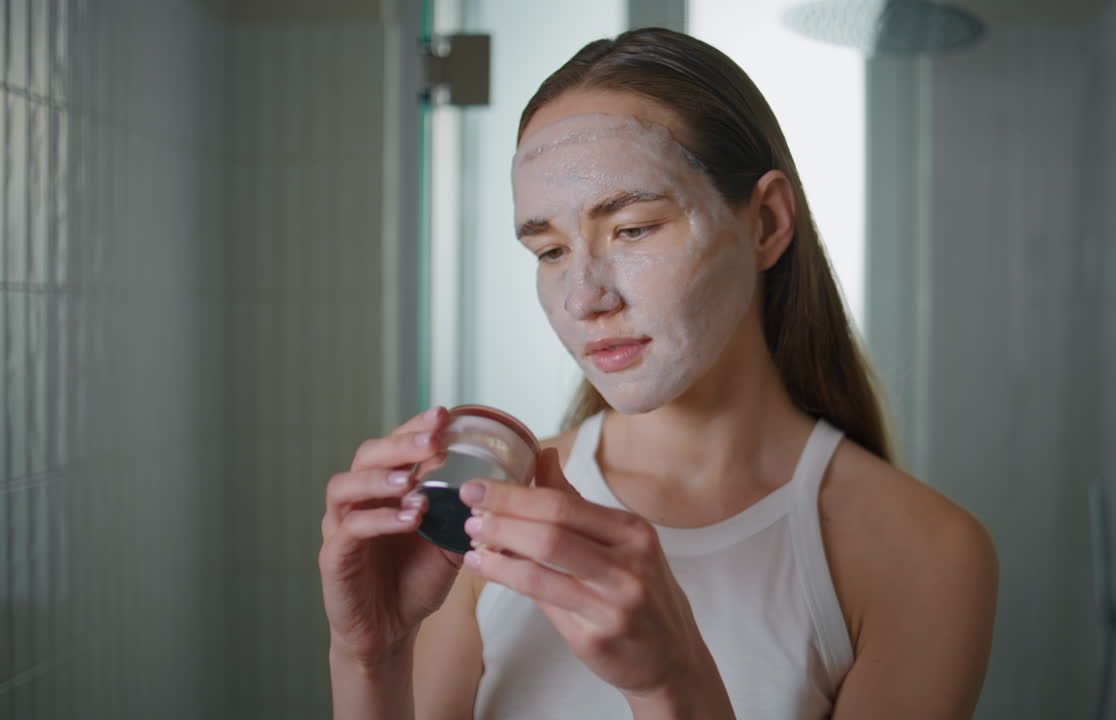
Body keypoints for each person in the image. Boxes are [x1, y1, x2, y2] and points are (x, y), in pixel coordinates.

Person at [320, 27, 997, 720]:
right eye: (550, 251)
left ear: (765, 222)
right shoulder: (491, 509)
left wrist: (671, 686)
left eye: (633, 229)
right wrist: (369, 657)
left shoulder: (923, 554)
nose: (584, 298)